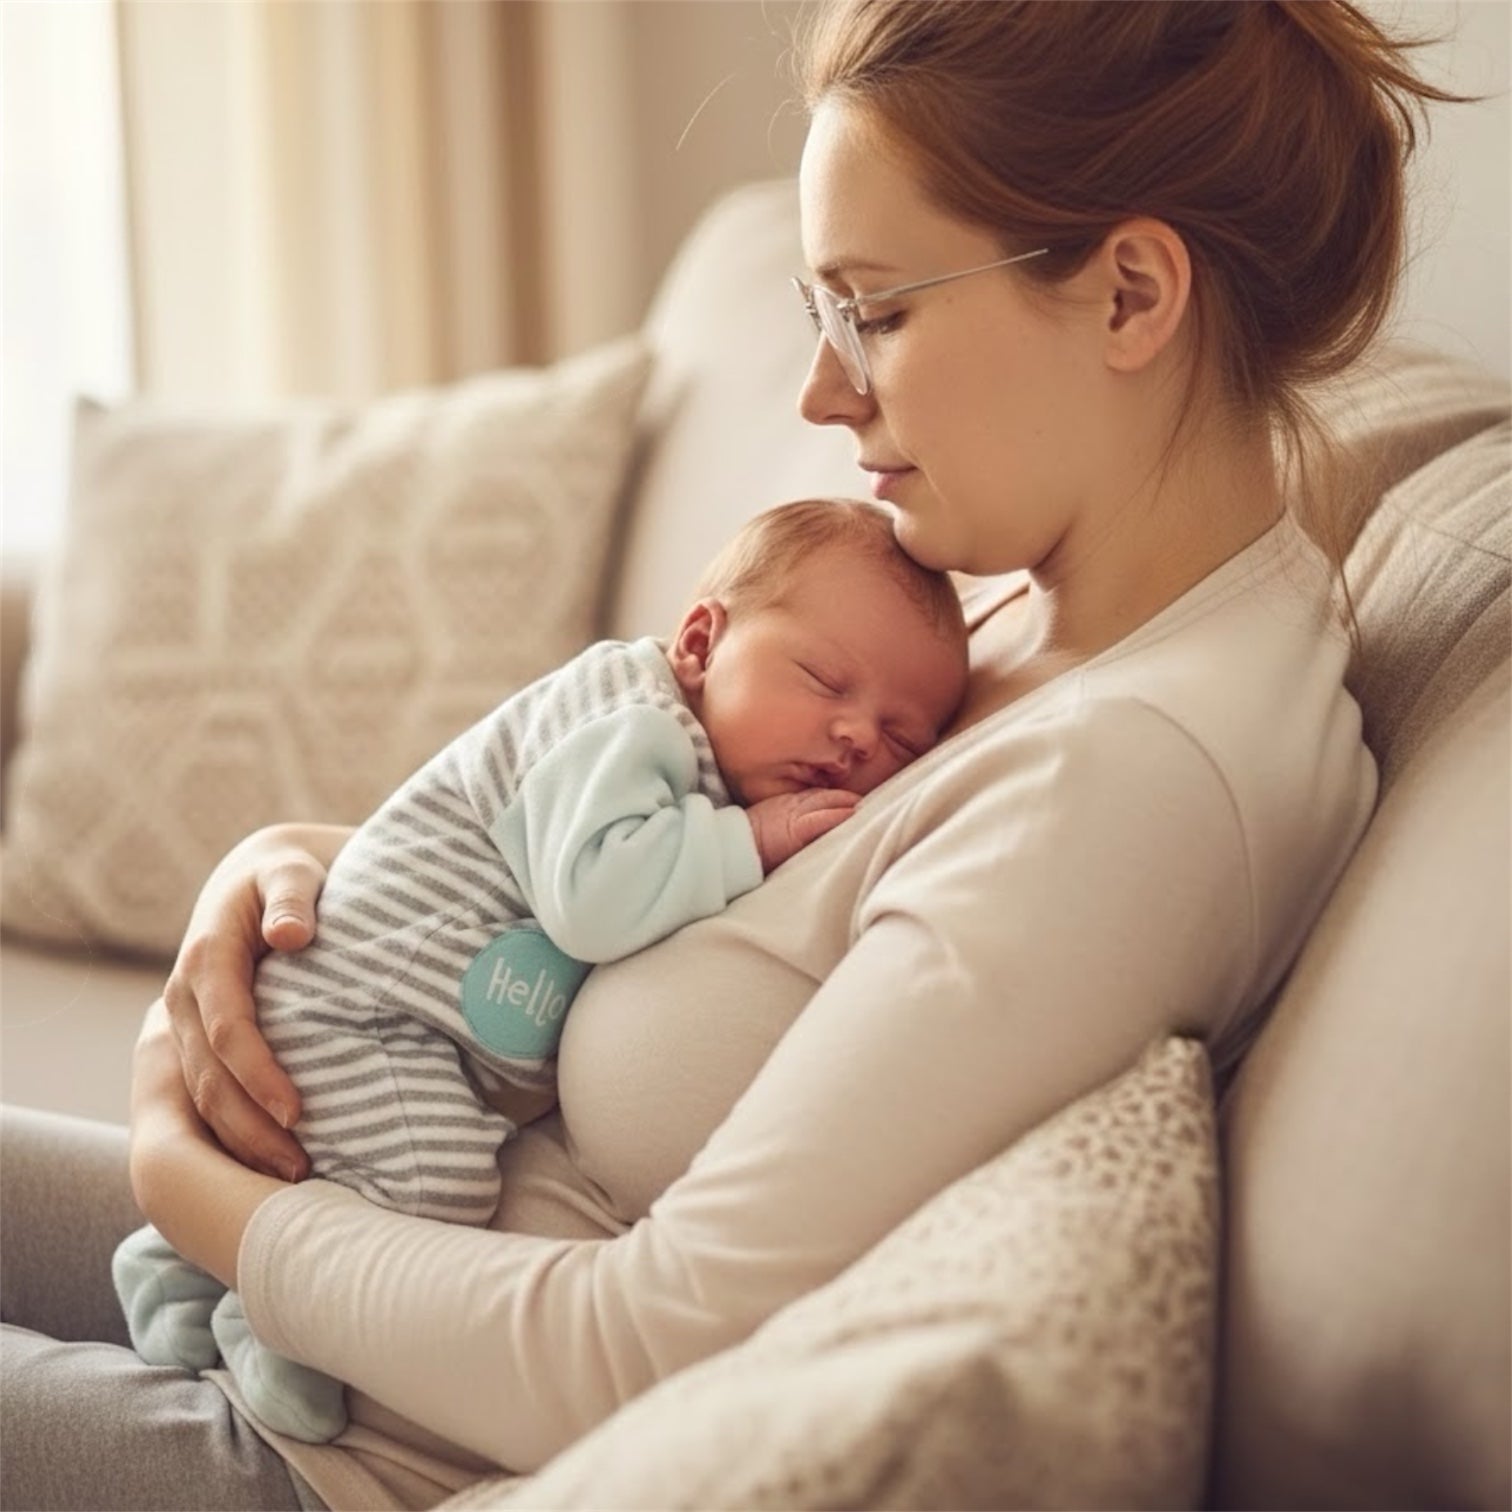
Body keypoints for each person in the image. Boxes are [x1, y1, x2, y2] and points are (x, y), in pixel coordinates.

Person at [1, 3, 1456, 1508]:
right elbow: (641, 825)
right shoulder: (1030, 611)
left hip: (339, 1452)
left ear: (1132, 293)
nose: (824, 395)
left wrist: (198, 1189)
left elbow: (643, 1350)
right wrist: (292, 869)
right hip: (341, 1259)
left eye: (875, 313)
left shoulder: (1139, 783)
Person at [109, 496, 970, 1446]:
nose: (857, 738)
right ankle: (263, 1322)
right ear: (698, 641)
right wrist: (746, 840)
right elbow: (594, 898)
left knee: (366, 1163)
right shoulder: (630, 723)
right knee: (434, 1187)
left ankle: (175, 1266)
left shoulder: (694, 749)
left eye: (902, 741)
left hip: (399, 1022)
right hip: (367, 1013)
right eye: (822, 680)